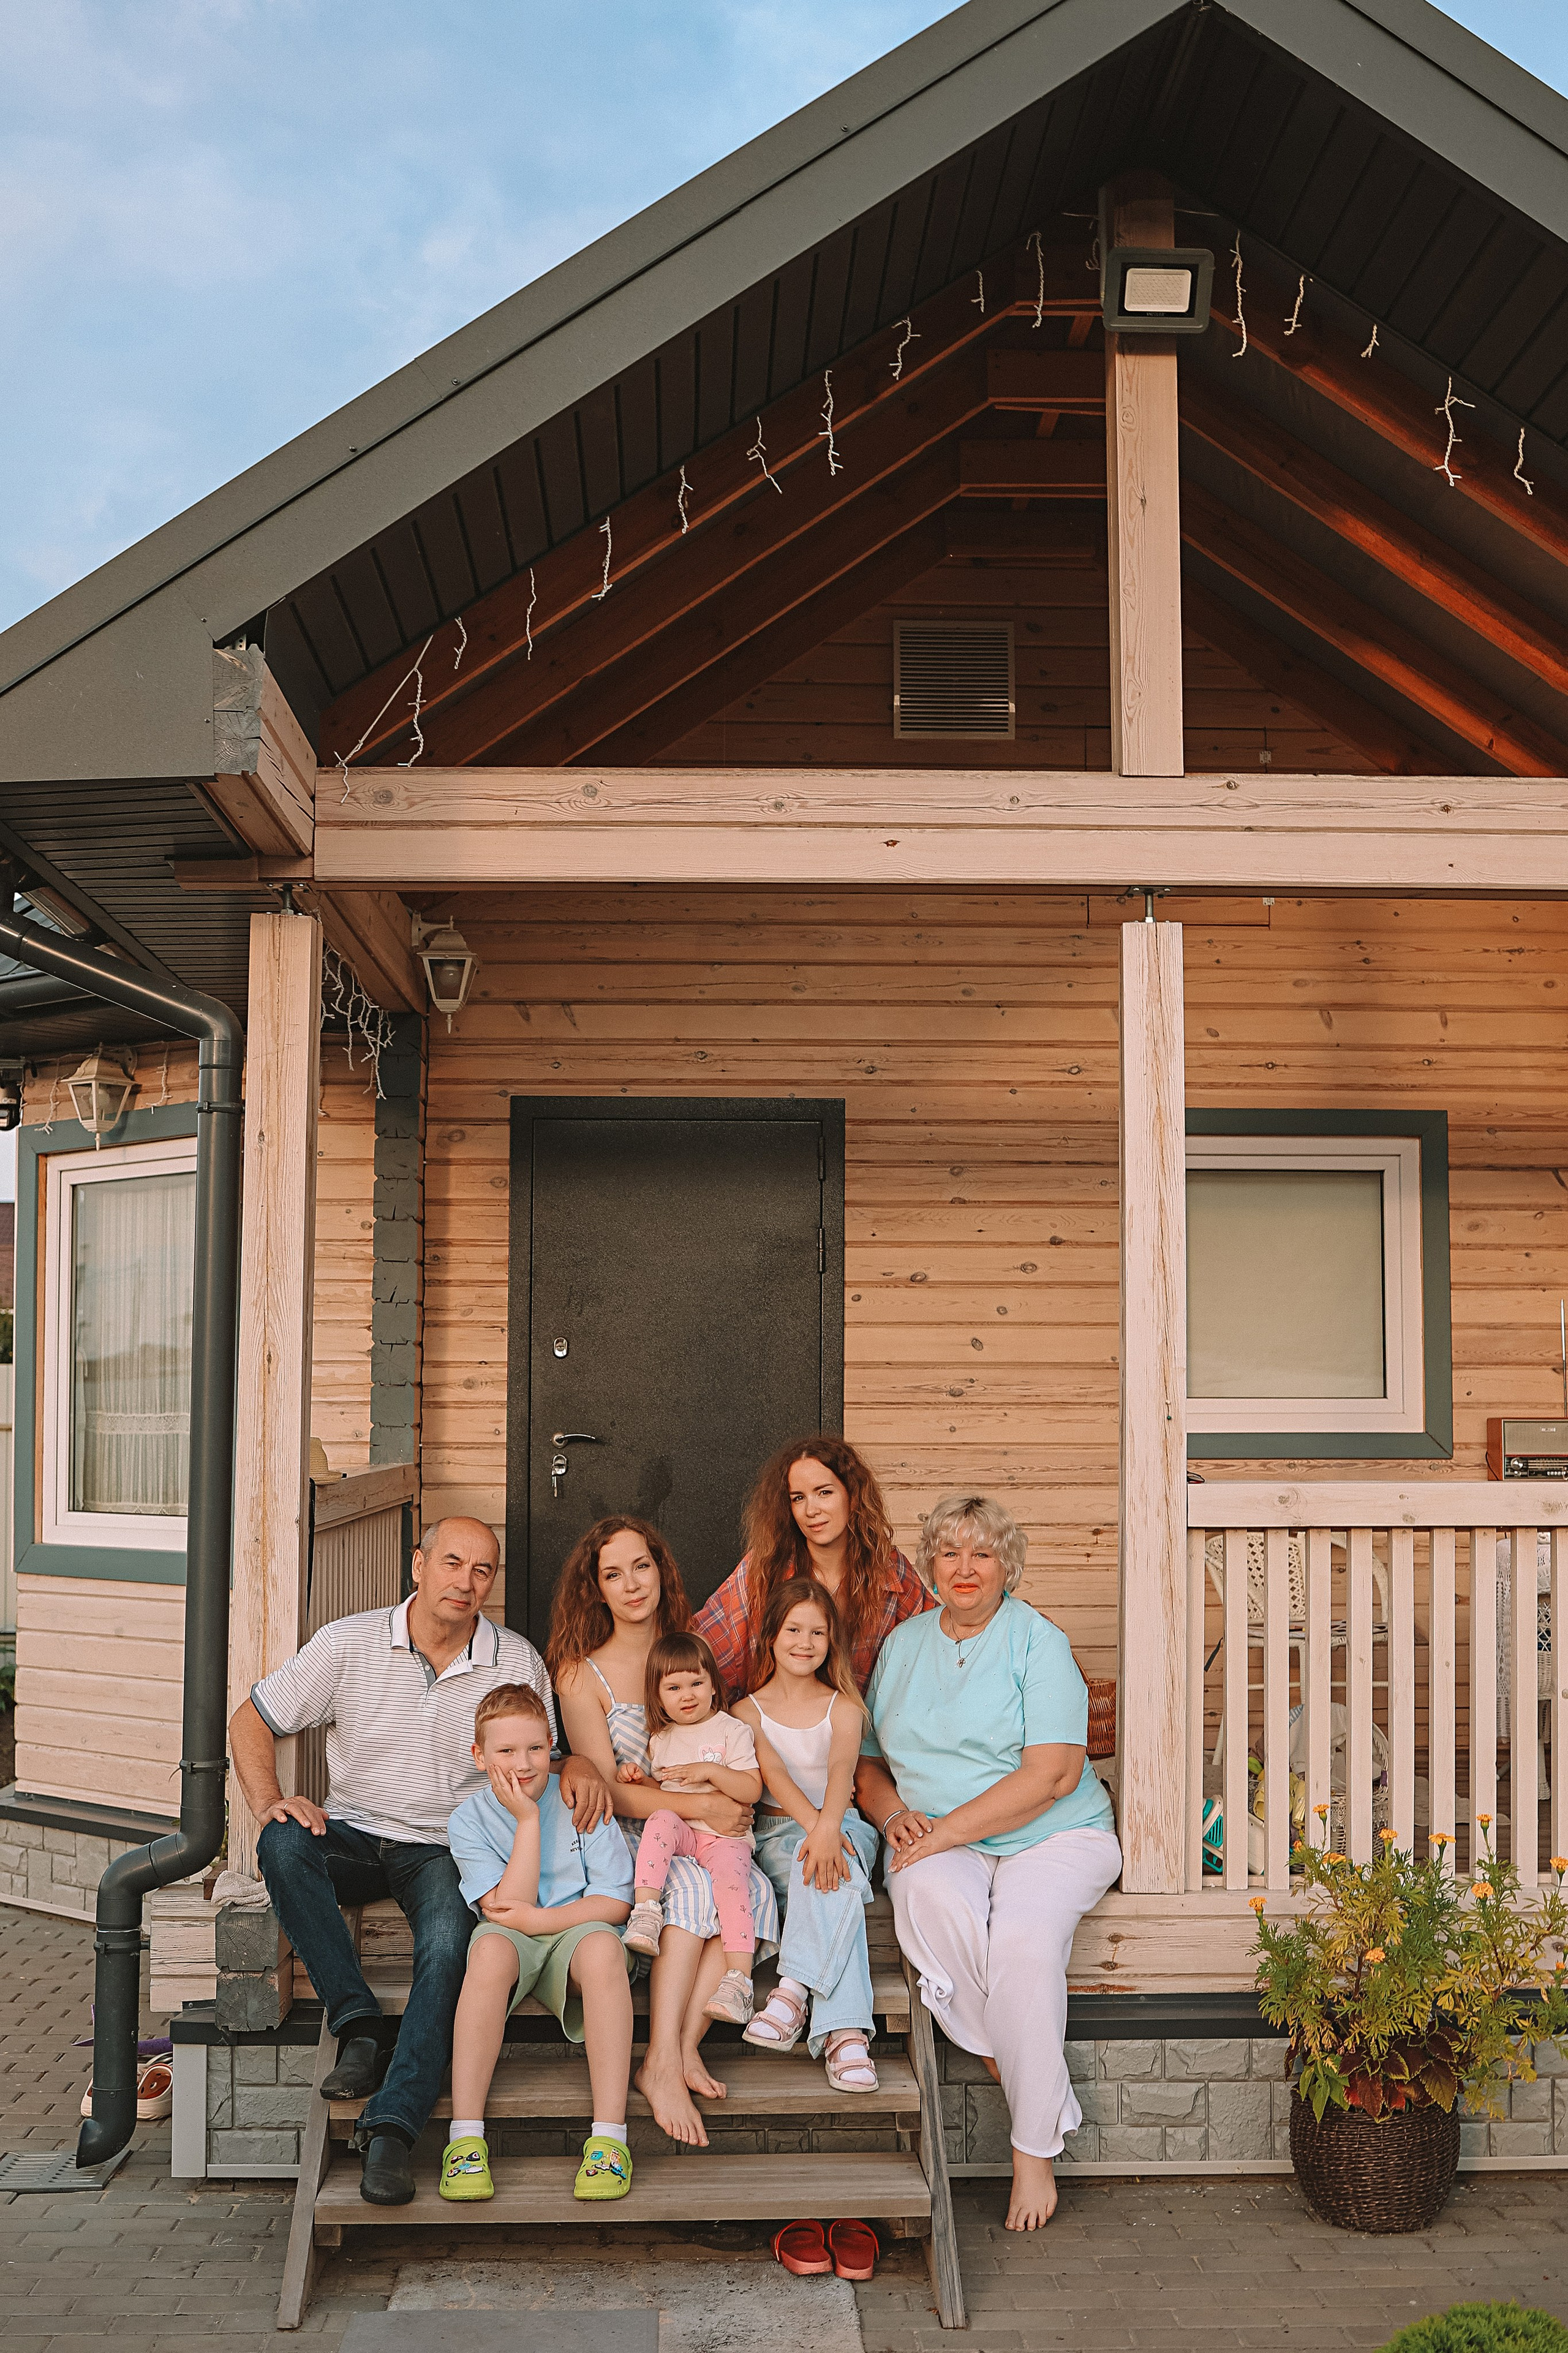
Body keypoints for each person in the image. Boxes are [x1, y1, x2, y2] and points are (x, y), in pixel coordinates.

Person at [228, 1516, 608, 2207]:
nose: (466, 1581)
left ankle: (392, 2131)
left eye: (483, 1570)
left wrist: (578, 1761)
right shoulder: (349, 1642)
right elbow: (251, 1718)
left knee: (446, 1948)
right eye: (453, 1562)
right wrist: (270, 1801)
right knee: (280, 1842)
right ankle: (358, 2023)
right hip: (352, 1830)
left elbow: (542, 1755)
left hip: (446, 1846)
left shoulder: (515, 1660)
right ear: (418, 1564)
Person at [854, 1493, 1120, 2234]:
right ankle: (1026, 2075)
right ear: (930, 1564)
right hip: (940, 1836)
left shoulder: (1038, 1642)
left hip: (1052, 1835)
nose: (964, 1567)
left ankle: (1033, 2145)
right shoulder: (903, 1645)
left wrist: (945, 1832)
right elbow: (868, 1764)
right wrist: (892, 1816)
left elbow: (1052, 1776)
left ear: (1008, 1565)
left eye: (982, 1553)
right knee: (927, 1904)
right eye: (950, 1552)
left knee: (1023, 1946)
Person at [548, 1517, 778, 2149]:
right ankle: (661, 2057)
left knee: (752, 1891)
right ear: (595, 1588)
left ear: (661, 1569)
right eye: (613, 1574)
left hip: (703, 1829)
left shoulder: (688, 1650)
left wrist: (723, 1803)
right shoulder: (580, 1674)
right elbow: (611, 1789)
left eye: (641, 1566)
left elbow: (726, 1736)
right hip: (633, 1834)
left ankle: (676, 2050)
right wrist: (706, 1807)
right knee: (695, 1892)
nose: (631, 1584)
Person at [442, 1682, 635, 2204]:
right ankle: (465, 2139)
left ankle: (609, 2140)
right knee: (487, 1951)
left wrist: (544, 1919)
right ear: (480, 1756)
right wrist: (527, 1819)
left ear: (552, 1745)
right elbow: (507, 1907)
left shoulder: (578, 1797)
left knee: (605, 1949)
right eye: (505, 1750)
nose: (523, 1763)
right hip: (512, 1936)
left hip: (578, 1931)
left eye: (534, 1748)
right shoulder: (469, 1819)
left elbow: (616, 1902)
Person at [733, 1576, 880, 2093]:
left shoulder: (845, 1706)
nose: (805, 1642)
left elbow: (841, 1768)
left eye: (817, 1632)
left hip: (846, 1824)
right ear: (771, 1634)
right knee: (817, 1864)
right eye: (793, 1629)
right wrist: (816, 1834)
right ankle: (847, 2036)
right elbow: (773, 1774)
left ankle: (792, 1989)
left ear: (831, 1640)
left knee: (825, 1858)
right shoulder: (746, 1712)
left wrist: (828, 1827)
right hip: (778, 1832)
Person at [694, 1433, 930, 1699]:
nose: (811, 1511)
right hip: (767, 1720)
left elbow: (937, 1638)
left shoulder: (887, 1569)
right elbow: (701, 1647)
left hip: (858, 1721)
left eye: (824, 1493)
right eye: (798, 1498)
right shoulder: (766, 1566)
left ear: (852, 1496)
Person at [620, 1630, 762, 2025]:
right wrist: (640, 1781)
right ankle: (646, 1911)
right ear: (658, 1696)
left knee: (732, 1888)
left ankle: (739, 1981)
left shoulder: (731, 1731)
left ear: (714, 1686)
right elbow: (666, 1793)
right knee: (660, 1819)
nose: (687, 1695)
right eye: (674, 1688)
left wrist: (710, 1771)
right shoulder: (661, 1738)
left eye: (697, 1683)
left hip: (725, 1838)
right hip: (684, 1832)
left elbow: (751, 1789)